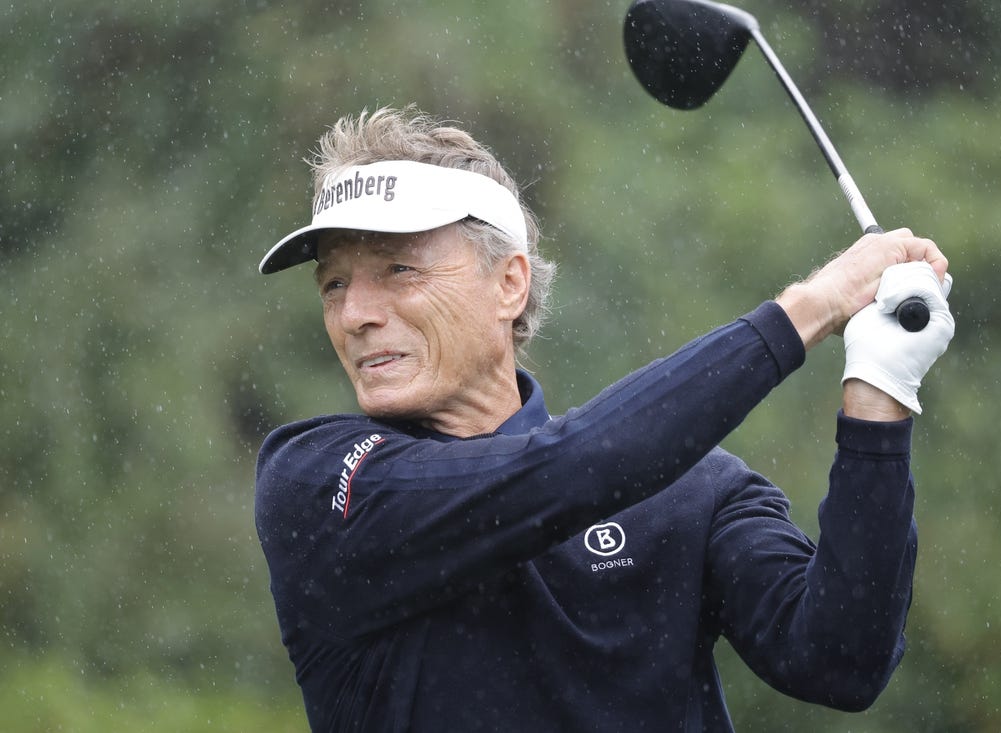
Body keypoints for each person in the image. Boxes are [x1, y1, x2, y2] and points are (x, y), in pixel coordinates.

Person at [254, 105, 954, 732]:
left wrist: (878, 394)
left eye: (397, 270)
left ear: (508, 283)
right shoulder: (320, 482)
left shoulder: (693, 492)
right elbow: (564, 470)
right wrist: (811, 307)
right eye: (335, 284)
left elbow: (839, 661)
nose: (355, 314)